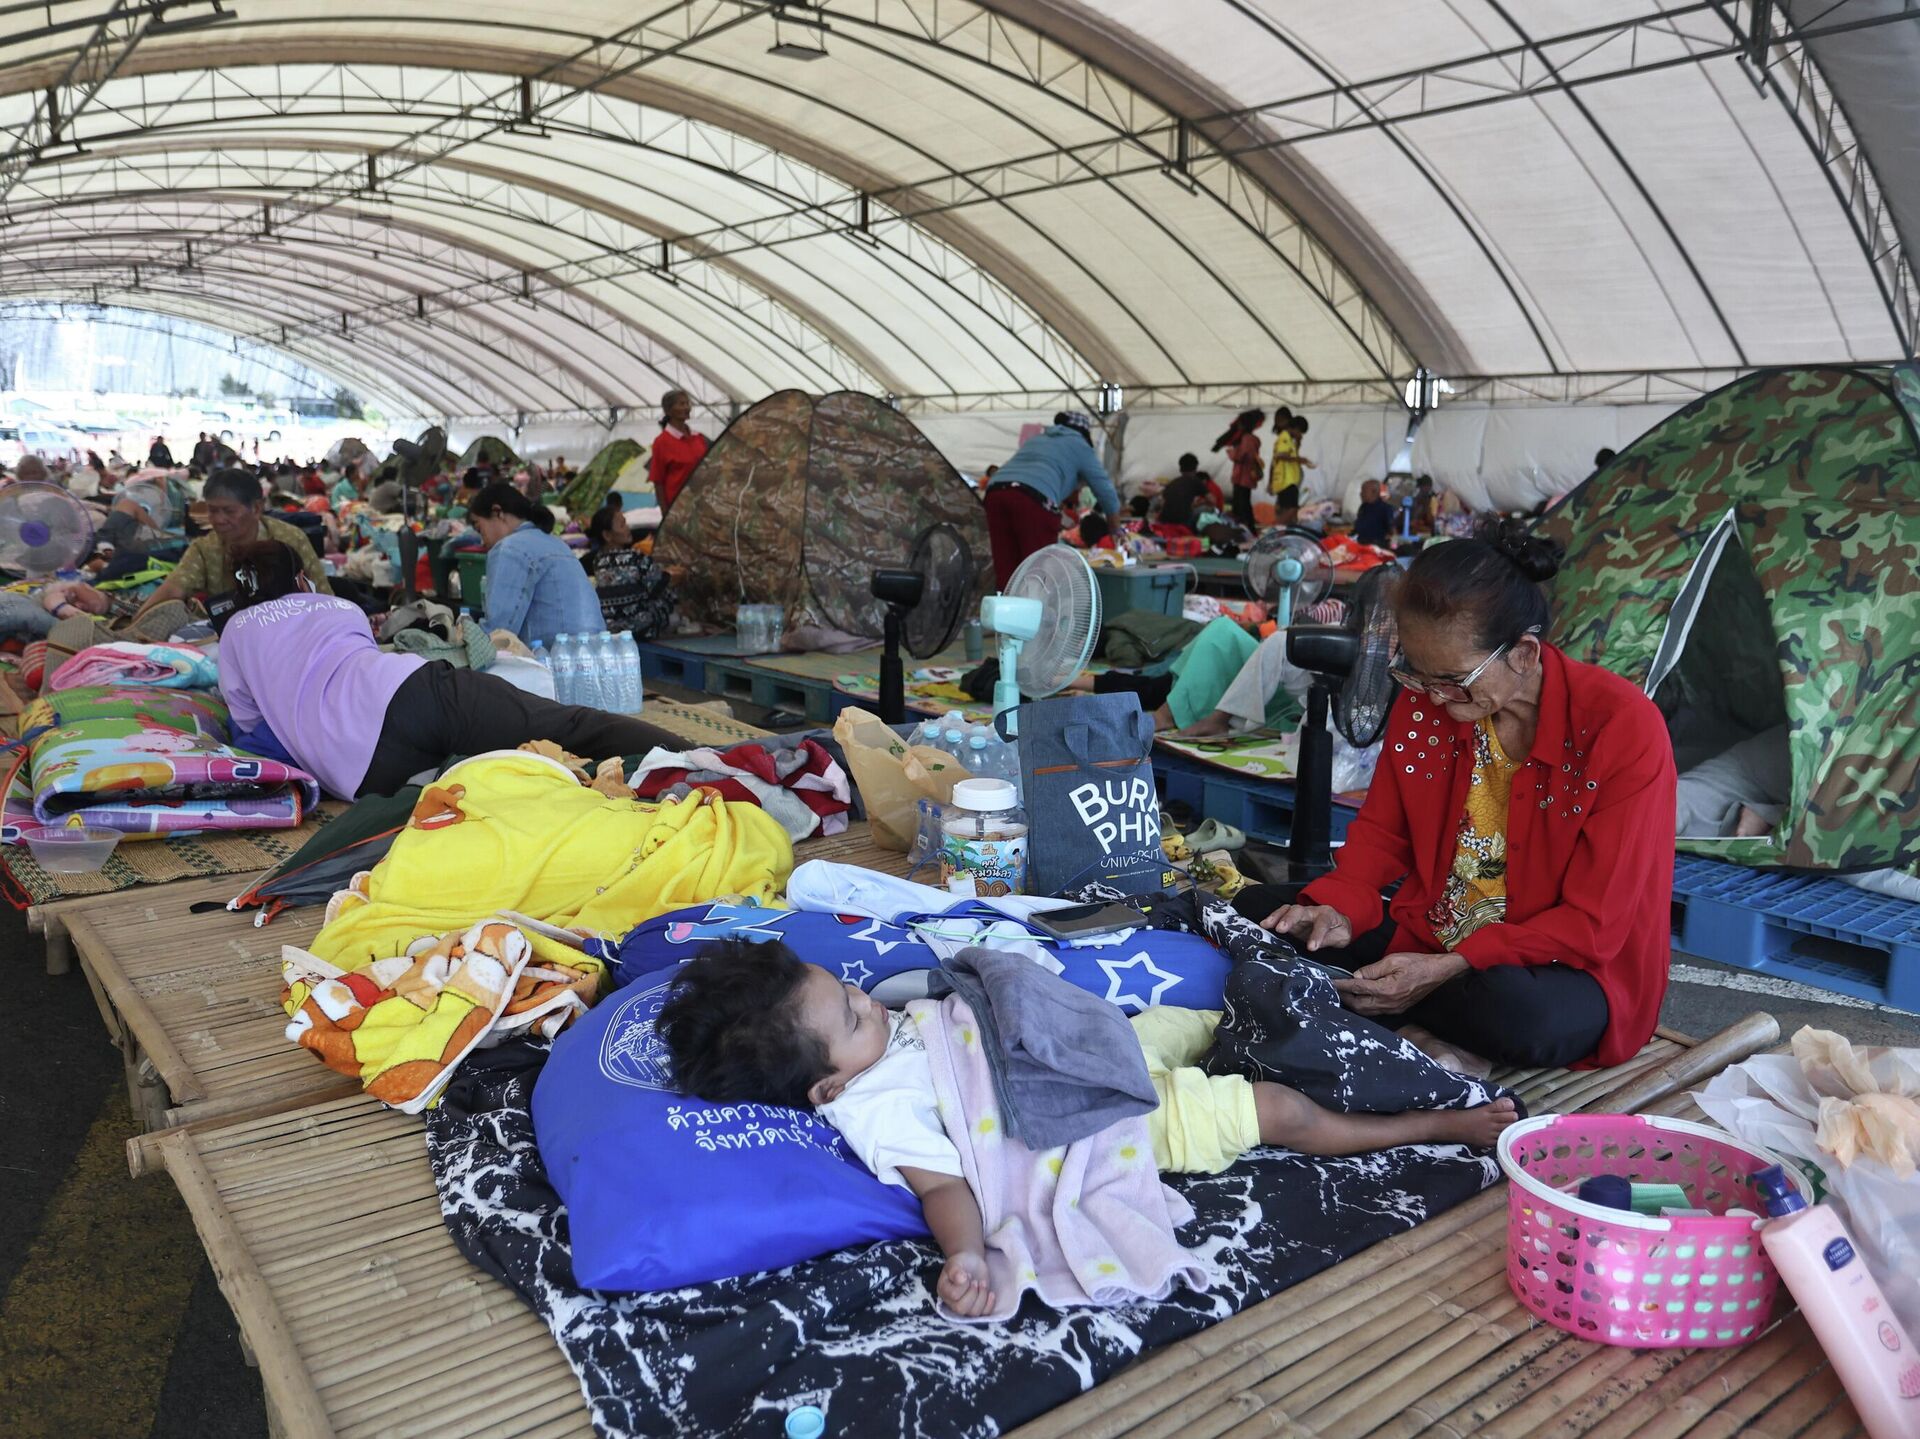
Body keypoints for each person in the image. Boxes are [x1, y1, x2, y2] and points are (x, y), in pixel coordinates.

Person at [659, 939, 1515, 1317]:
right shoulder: (872, 1107)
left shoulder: (870, 1036)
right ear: (829, 1085)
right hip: (1100, 1125)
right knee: (1278, 1111)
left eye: (847, 988)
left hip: (1087, 1055)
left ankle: (1368, 1045)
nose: (865, 999)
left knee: (1205, 1018)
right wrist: (967, 1254)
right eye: (851, 1014)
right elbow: (945, 1185)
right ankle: (1436, 1119)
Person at [1250, 524, 1677, 1075]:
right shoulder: (1432, 698)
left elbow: (1593, 924)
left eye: (1454, 679)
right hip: (1433, 935)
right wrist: (1338, 907)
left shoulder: (1622, 727)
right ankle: (1413, 1024)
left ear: (1523, 654)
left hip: (1558, 968)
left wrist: (1445, 967)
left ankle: (1391, 1012)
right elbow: (1384, 834)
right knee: (1266, 916)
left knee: (1519, 1014)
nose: (1433, 698)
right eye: (1416, 675)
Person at [216, 540, 681, 800]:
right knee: (570, 725)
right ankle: (698, 757)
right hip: (415, 694)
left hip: (366, 775)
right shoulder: (339, 606)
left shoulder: (235, 631)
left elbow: (251, 726)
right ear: (301, 579)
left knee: (487, 777)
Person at [132, 468, 332, 621]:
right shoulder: (205, 549)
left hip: (293, 628)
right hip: (233, 635)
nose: (219, 520)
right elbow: (173, 590)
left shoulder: (290, 539)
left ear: (256, 508)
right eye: (212, 511)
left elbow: (324, 598)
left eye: (229, 511)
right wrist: (135, 625)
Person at [982, 411, 1119, 587]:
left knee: (1006, 568)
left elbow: (1039, 477)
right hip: (1031, 500)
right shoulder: (1079, 444)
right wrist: (1115, 530)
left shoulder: (1037, 440)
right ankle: (1035, 603)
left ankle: (1003, 601)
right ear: (1084, 433)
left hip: (995, 493)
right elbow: (1105, 489)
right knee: (1038, 570)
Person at [467, 482, 604, 647]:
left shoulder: (510, 548)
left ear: (498, 512)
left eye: (479, 528)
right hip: (597, 651)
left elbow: (498, 632)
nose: (482, 541)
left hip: (554, 657)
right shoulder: (556, 543)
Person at [583, 502, 674, 639]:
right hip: (640, 627)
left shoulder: (597, 562)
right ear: (607, 535)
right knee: (667, 594)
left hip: (610, 628)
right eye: (622, 525)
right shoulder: (635, 558)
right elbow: (659, 584)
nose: (627, 529)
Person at [647, 389, 708, 511]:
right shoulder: (662, 442)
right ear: (668, 410)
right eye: (681, 404)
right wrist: (665, 512)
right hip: (678, 508)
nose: (687, 407)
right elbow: (658, 481)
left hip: (702, 505)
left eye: (687, 403)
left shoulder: (698, 438)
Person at [1213, 409, 1265, 530]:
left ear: (1243, 425)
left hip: (1243, 477)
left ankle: (1246, 529)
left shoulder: (1247, 438)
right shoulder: (1251, 438)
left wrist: (1231, 452)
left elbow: (1241, 456)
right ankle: (1246, 528)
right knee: (1243, 504)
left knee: (1242, 505)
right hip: (1245, 477)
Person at [1157, 453, 1222, 530]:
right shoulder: (1196, 481)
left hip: (1164, 521)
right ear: (1195, 468)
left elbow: (1163, 503)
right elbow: (1212, 501)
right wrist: (1200, 503)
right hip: (1183, 522)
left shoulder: (1173, 482)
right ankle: (1200, 530)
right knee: (1211, 509)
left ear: (1180, 468)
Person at [1351, 478, 1395, 548]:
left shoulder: (1385, 509)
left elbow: (1391, 530)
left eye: (1364, 491)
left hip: (1377, 547)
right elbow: (1358, 525)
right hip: (1361, 544)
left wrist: (1391, 543)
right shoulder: (1363, 507)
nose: (1361, 494)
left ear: (1374, 492)